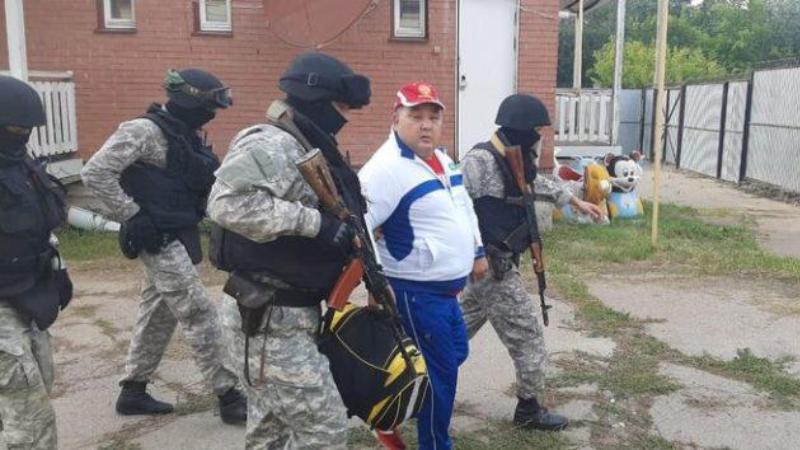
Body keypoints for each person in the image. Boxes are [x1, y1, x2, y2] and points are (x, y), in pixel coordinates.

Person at [207, 51, 371, 449]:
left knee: (270, 432)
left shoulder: (306, 145)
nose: (344, 117)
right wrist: (315, 224)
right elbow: (226, 204)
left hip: (289, 315)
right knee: (325, 431)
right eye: (340, 108)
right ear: (316, 99)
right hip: (268, 317)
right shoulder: (272, 143)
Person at [80, 68, 246, 424]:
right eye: (209, 107)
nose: (212, 115)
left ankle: (133, 390)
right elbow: (94, 172)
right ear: (189, 101)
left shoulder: (185, 134)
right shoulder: (143, 131)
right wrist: (132, 214)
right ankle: (230, 395)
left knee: (159, 311)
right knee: (198, 310)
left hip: (178, 230)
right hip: (157, 236)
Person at [459, 93, 603, 431]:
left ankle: (417, 381)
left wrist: (576, 202)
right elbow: (453, 205)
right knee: (528, 336)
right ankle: (528, 410)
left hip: (492, 268)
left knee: (452, 332)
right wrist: (473, 255)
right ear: (521, 129)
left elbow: (536, 182)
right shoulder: (479, 162)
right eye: (536, 130)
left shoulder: (514, 159)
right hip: (492, 268)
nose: (540, 137)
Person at [358, 82, 487, 450]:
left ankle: (395, 405)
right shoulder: (385, 169)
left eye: (433, 117)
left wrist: (476, 250)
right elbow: (359, 228)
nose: (426, 124)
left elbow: (464, 206)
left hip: (446, 292)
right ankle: (434, 443)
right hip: (415, 293)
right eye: (416, 116)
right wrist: (375, 283)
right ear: (396, 118)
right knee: (438, 377)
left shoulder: (442, 160)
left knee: (455, 353)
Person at [0, 75, 73, 449]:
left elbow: (37, 226)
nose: (23, 136)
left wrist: (57, 268)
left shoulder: (20, 165)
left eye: (27, 129)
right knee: (31, 418)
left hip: (27, 295)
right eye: (15, 129)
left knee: (38, 382)